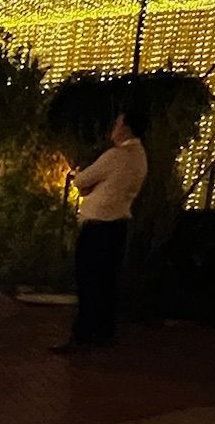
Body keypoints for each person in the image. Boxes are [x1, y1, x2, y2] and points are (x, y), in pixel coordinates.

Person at [57, 109, 148, 352]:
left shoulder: (117, 156)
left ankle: (83, 335)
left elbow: (80, 181)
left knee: (89, 281)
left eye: (118, 123)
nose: (113, 128)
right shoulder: (140, 157)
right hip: (118, 225)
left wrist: (89, 184)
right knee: (107, 282)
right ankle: (103, 333)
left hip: (98, 226)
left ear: (126, 128)